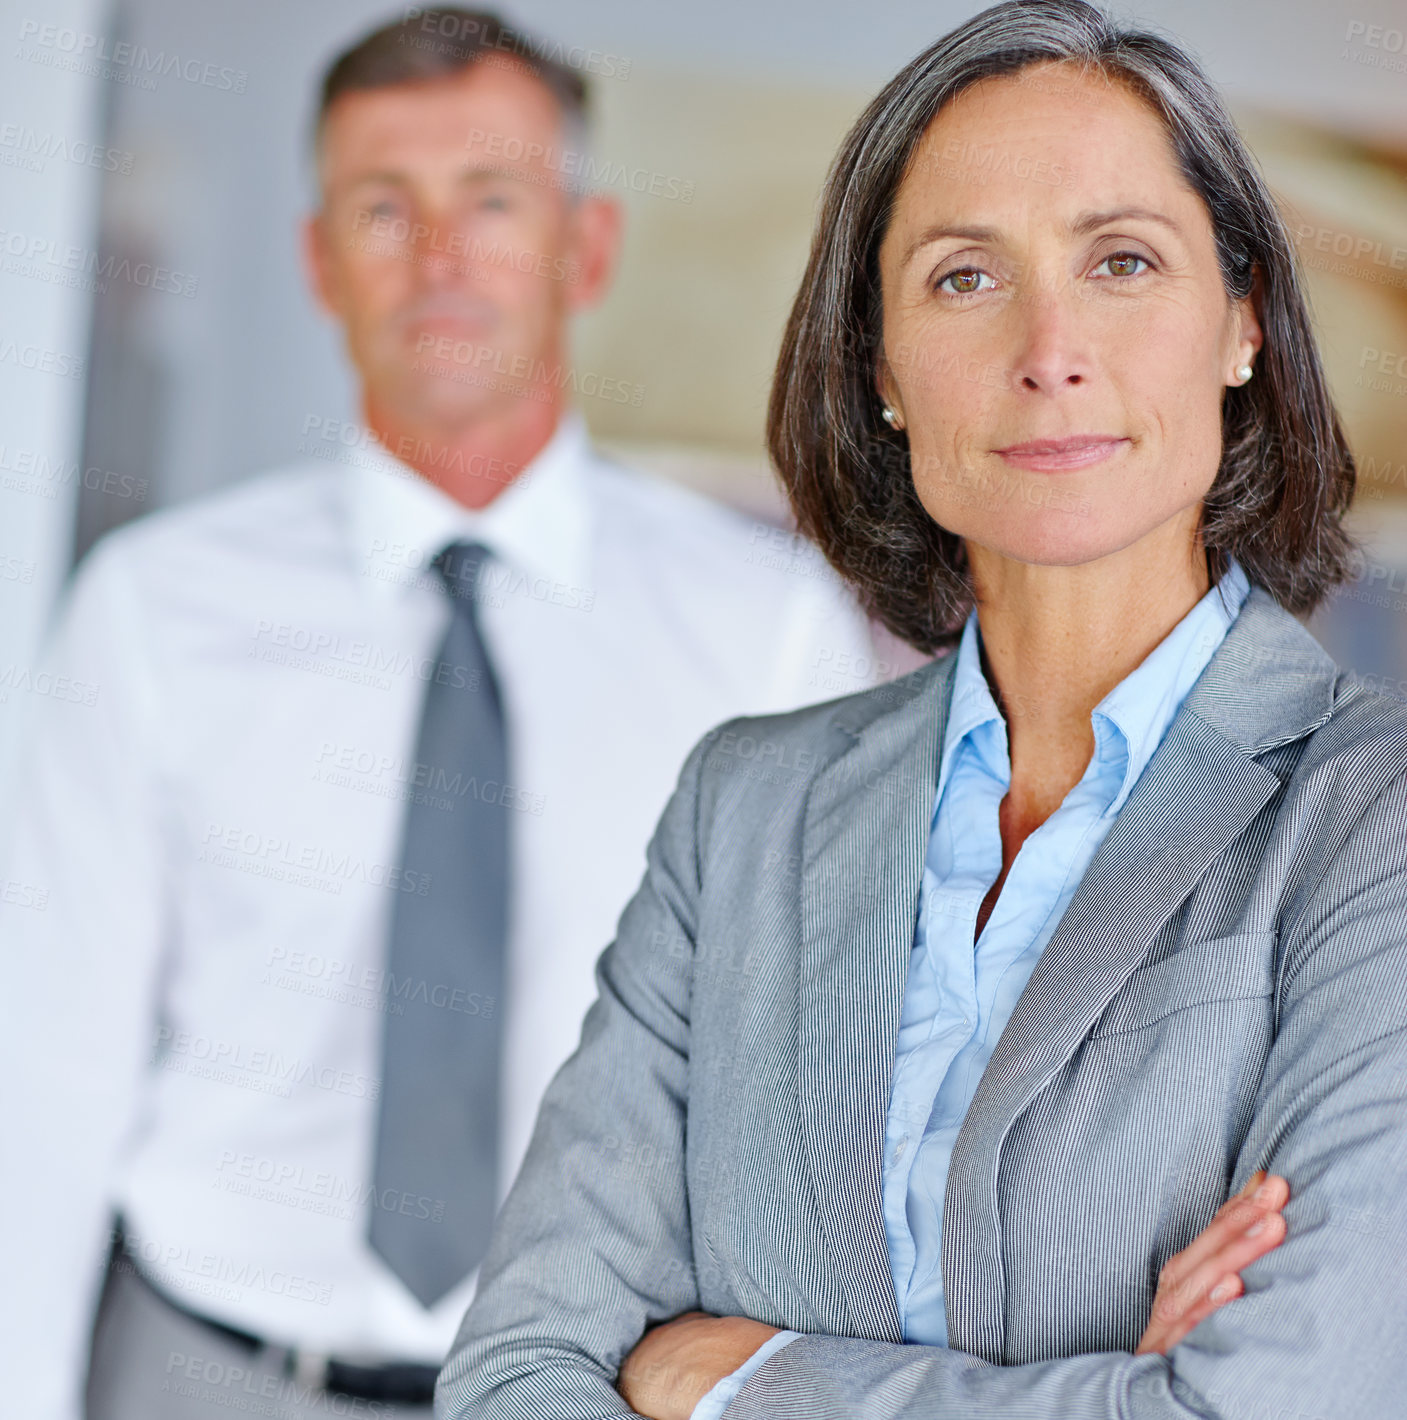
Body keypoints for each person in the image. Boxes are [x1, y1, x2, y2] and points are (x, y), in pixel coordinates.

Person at [438, 2, 1407, 1418]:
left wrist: (740, 1376)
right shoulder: (745, 813)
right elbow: (517, 1374)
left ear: (1243, 324)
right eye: (965, 278)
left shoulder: (1373, 823)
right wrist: (1101, 1388)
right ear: (883, 368)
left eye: (1123, 261)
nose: (1050, 347)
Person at [0, 10, 880, 1419]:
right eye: (382, 206)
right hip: (203, 1371)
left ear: (585, 248)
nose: (440, 257)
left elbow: (825, 1093)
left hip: (594, 1385)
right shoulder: (152, 613)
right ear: (318, 259)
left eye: (492, 201)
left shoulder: (765, 635)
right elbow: (41, 1069)